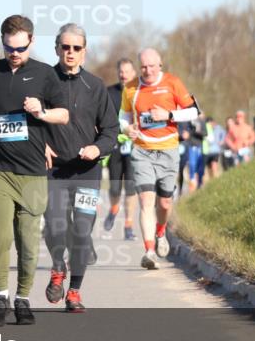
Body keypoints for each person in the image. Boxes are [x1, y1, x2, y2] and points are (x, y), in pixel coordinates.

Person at [0, 15, 69, 327]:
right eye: (9, 48)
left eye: (21, 48)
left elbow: (64, 115)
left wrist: (42, 112)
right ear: (2, 43)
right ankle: (1, 296)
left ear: (32, 42)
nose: (15, 53)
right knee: (0, 235)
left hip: (33, 170)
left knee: (27, 239)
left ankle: (23, 298)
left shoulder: (45, 74)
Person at [42, 24, 118, 313]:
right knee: (55, 228)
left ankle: (74, 291)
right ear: (57, 49)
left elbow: (111, 130)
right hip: (55, 172)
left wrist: (98, 148)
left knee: (83, 231)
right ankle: (57, 267)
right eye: (65, 47)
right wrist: (41, 145)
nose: (70, 52)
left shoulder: (96, 86)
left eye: (76, 48)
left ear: (84, 51)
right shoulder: (44, 82)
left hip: (87, 171)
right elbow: (31, 121)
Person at [119, 48, 198, 270]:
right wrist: (127, 128)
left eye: (152, 66)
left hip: (168, 150)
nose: (148, 70)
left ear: (160, 65)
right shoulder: (131, 88)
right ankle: (149, 251)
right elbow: (123, 116)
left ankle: (161, 231)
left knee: (164, 203)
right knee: (146, 201)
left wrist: (169, 115)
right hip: (142, 150)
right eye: (143, 66)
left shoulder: (173, 83)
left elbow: (193, 112)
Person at [102, 58, 138, 241]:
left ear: (134, 72)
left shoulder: (140, 91)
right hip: (115, 146)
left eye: (127, 71)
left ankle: (129, 225)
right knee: (115, 188)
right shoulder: (109, 92)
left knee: (131, 187)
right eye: (121, 71)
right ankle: (114, 208)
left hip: (134, 147)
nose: (124, 74)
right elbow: (103, 118)